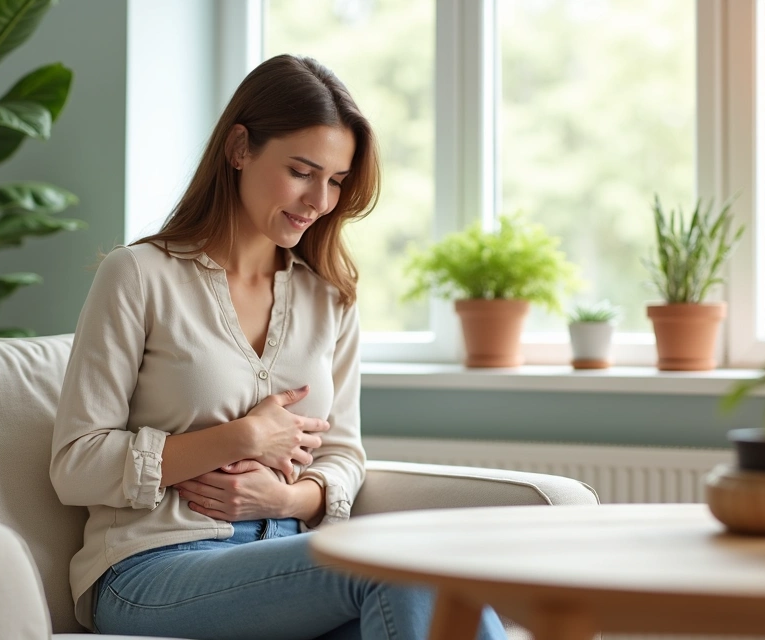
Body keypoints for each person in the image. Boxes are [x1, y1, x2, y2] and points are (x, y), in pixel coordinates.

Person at [50, 54, 506, 639]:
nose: (320, 200)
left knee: (449, 590)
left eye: (337, 181)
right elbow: (76, 464)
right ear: (240, 148)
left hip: (289, 568)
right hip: (154, 568)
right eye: (302, 171)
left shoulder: (331, 298)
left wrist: (290, 499)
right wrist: (241, 438)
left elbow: (343, 454)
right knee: (405, 565)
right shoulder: (138, 275)